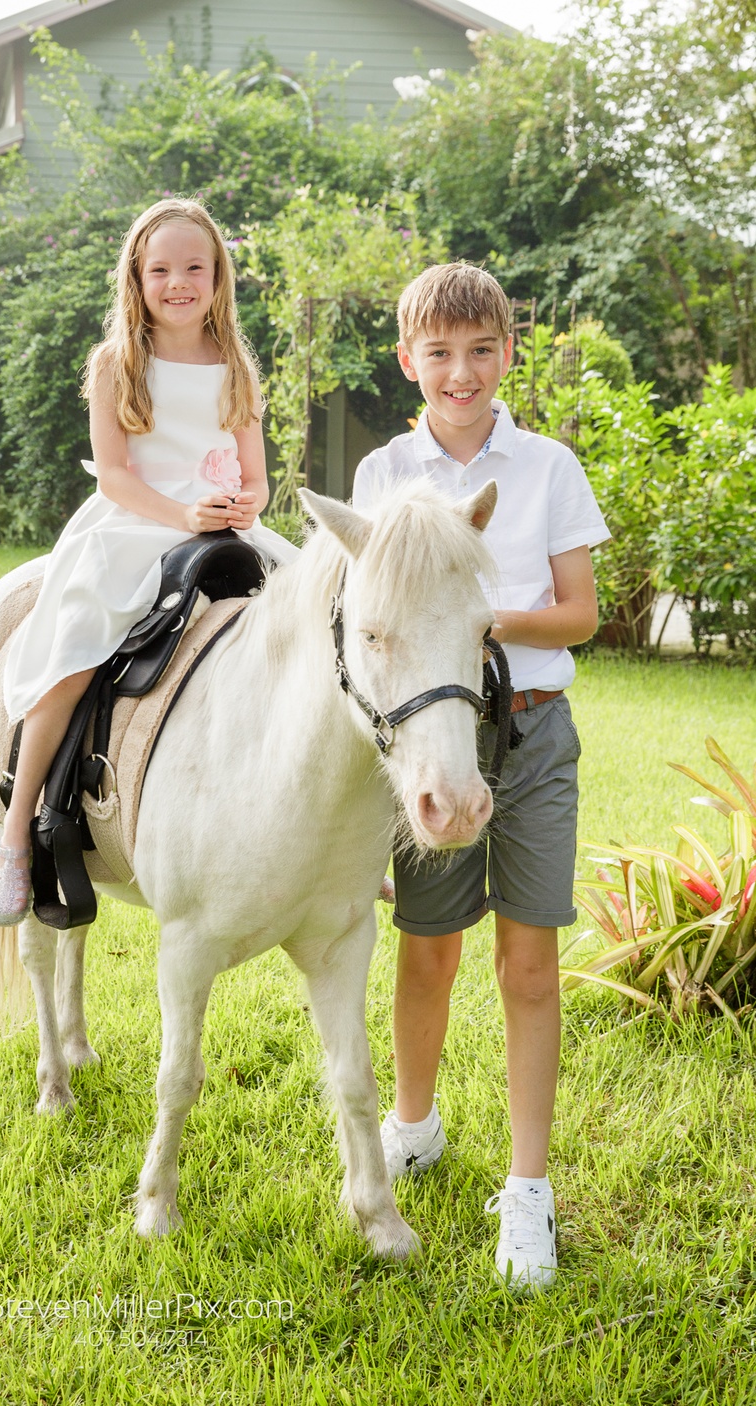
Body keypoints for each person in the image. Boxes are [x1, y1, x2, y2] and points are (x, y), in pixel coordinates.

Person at [352, 262, 609, 1291]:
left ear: (507, 352)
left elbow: (580, 612)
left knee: (529, 966)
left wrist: (475, 617)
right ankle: (411, 1121)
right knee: (426, 952)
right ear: (408, 360)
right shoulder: (381, 475)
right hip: (429, 743)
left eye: (481, 350)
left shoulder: (547, 467)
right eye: (439, 353)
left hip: (532, 734)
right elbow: (366, 629)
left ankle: (529, 1188)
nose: (460, 372)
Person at [0, 198, 298, 926]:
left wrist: (242, 504)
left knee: (316, 632)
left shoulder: (235, 366)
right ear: (136, 277)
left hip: (219, 523)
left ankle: (323, 836)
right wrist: (182, 513)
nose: (178, 282)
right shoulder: (118, 363)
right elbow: (117, 475)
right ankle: (16, 832)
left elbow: (254, 470)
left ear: (218, 276)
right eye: (161, 269)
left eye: (195, 267)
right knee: (76, 651)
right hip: (137, 522)